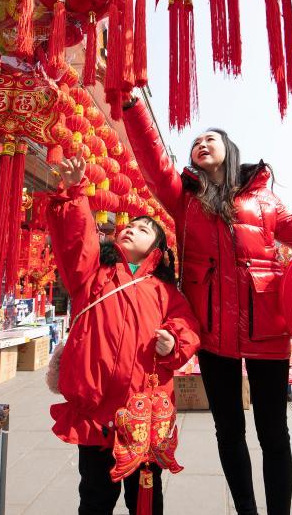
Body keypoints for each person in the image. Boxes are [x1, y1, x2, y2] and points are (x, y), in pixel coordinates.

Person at [121, 97, 292, 515]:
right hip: (212, 333)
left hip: (268, 331)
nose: (201, 143)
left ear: (228, 148)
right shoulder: (184, 199)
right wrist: (132, 107)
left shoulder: (265, 200)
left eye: (211, 139)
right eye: (196, 141)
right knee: (229, 432)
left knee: (274, 433)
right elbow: (152, 161)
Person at [46, 156, 201, 515]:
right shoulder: (92, 275)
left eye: (144, 229)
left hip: (144, 417)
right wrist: (75, 194)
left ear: (157, 251)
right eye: (129, 225)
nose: (131, 228)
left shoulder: (165, 292)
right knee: (95, 499)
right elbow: (75, 241)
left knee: (145, 502)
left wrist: (174, 342)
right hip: (96, 416)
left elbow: (188, 326)